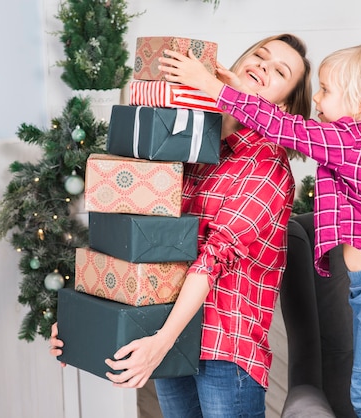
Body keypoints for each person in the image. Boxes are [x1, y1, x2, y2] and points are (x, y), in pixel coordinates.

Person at [50, 33, 313, 418]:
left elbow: (213, 258)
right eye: (260, 55)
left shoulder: (266, 167)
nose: (262, 67)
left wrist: (160, 341)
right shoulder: (185, 142)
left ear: (285, 105)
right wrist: (83, 321)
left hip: (223, 346)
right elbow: (134, 237)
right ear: (235, 65)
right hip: (166, 329)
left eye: (279, 72)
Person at [159, 43, 361, 418]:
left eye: (327, 90)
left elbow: (285, 127)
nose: (317, 97)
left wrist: (214, 87)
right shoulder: (355, 142)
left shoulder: (353, 140)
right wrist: (233, 94)